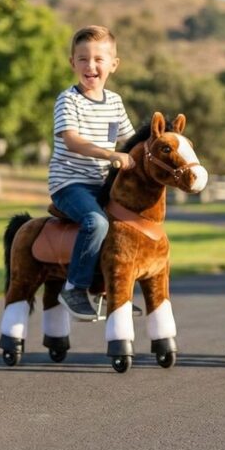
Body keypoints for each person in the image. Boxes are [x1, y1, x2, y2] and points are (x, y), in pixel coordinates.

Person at [48, 25, 136, 320]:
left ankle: (113, 289)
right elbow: (72, 140)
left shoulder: (115, 102)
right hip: (71, 183)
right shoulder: (68, 100)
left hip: (103, 185)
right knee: (96, 222)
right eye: (83, 59)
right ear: (73, 63)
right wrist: (110, 155)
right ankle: (74, 287)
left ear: (114, 64)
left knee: (130, 228)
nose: (91, 66)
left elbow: (130, 142)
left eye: (99, 59)